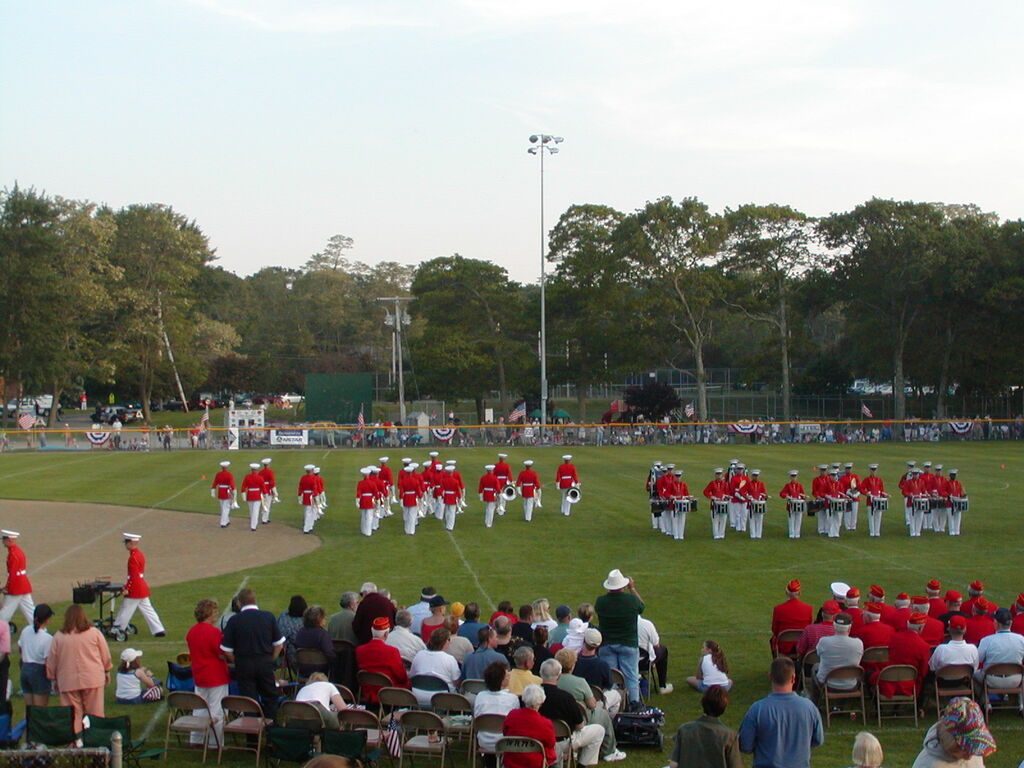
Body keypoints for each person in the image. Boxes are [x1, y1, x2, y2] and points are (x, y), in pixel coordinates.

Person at [738, 657, 823, 768]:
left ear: (770, 677)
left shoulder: (757, 709)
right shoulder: (809, 708)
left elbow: (745, 745)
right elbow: (818, 740)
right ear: (793, 678)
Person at [45, 604, 113, 732]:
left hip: (68, 680)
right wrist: (107, 669)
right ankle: (95, 739)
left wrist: (53, 677)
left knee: (72, 715)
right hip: (92, 678)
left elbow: (52, 660)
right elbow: (105, 654)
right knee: (95, 713)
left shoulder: (59, 637)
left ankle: (75, 742)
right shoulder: (94, 633)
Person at [220, 587, 286, 718]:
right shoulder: (268, 617)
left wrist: (237, 661)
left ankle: (252, 733)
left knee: (249, 700)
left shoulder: (235, 620)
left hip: (244, 664)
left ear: (239, 603)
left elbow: (227, 651)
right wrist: (270, 659)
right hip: (264, 662)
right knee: (270, 697)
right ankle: (270, 729)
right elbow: (279, 644)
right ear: (255, 601)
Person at [537, 658, 609, 765]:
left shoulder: (531, 696)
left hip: (537, 740)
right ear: (559, 675)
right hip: (562, 741)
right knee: (598, 730)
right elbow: (579, 726)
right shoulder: (566, 698)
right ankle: (582, 764)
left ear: (540, 673)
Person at [594, 568, 644, 709]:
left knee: (612, 679)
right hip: (628, 644)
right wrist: (632, 589)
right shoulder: (631, 600)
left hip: (607, 644)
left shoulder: (601, 602)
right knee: (631, 677)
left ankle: (613, 706)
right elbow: (641, 606)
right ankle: (633, 705)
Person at [186, 597, 230, 748]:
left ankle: (196, 740)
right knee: (216, 711)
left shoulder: (192, 631)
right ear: (208, 613)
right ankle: (215, 743)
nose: (216, 614)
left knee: (199, 709)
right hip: (215, 675)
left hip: (199, 674)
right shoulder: (213, 632)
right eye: (214, 611)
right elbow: (221, 652)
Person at [668, 685, 742, 768]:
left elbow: (673, 764)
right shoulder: (729, 736)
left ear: (703, 702)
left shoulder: (684, 730)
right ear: (724, 706)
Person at [911, 697, 995, 768]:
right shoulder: (928, 764)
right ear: (950, 741)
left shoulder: (974, 752)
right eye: (965, 749)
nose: (970, 756)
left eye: (973, 747)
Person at [114, 533, 166, 637]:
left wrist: (127, 588)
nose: (125, 545)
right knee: (148, 609)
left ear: (131, 543)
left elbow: (133, 576)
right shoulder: (139, 554)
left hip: (136, 588)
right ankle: (158, 629)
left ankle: (120, 628)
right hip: (141, 586)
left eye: (127, 543)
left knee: (126, 608)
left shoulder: (133, 558)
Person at [473, 661, 521, 765]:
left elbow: (476, 715)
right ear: (502, 680)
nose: (509, 677)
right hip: (505, 742)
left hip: (484, 741)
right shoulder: (512, 699)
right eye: (507, 676)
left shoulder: (480, 696)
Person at [809, 612, 862, 701]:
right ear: (849, 627)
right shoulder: (858, 643)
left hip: (829, 684)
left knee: (815, 667)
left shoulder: (824, 641)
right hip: (849, 684)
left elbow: (818, 654)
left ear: (834, 626)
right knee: (816, 667)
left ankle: (815, 702)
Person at [501, 684, 557, 768]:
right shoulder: (545, 723)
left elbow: (505, 732)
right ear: (541, 703)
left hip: (512, 760)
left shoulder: (512, 715)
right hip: (535, 763)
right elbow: (551, 743)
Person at [355, 617, 408, 703]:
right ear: (386, 634)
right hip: (389, 691)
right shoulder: (391, 652)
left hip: (368, 691)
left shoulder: (359, 650)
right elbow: (401, 677)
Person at [974, 608, 1024, 698]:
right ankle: (1020, 704)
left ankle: (986, 702)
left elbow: (978, 660)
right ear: (1011, 623)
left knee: (973, 675)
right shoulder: (1021, 639)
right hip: (1015, 679)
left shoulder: (987, 640)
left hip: (992, 679)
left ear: (996, 623)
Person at [409, 627, 460, 706]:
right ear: (445, 642)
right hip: (441, 699)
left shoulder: (419, 655)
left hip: (418, 696)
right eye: (448, 639)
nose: (449, 642)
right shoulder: (449, 659)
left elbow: (412, 675)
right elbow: (457, 682)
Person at [18, 603, 54, 708]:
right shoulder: (47, 638)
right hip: (39, 670)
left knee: (29, 708)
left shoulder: (26, 631)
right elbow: (48, 660)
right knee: (39, 710)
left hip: (25, 668)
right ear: (47, 619)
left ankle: (26, 724)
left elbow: (20, 647)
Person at [1, 529, 35, 626]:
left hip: (16, 586)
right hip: (23, 584)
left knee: (5, 612)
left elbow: (13, 573)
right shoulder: (17, 551)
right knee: (30, 610)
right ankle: (41, 630)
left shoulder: (13, 554)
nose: (3, 542)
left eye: (4, 539)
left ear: (10, 540)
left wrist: (7, 588)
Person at [293, 605, 337, 679]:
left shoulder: (300, 632)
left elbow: (296, 646)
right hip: (321, 669)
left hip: (303, 667)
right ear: (319, 620)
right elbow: (330, 653)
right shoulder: (322, 634)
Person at [770, 579, 811, 656]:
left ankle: (777, 664)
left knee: (773, 640)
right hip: (801, 645)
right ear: (799, 593)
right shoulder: (808, 609)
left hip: (784, 647)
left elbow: (775, 630)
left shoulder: (778, 609)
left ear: (786, 593)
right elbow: (808, 628)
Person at [638, 614, 671, 695]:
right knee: (663, 650)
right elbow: (656, 644)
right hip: (643, 662)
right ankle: (662, 686)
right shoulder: (646, 624)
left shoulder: (618, 624)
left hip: (623, 661)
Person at [860, 464, 887, 537]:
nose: (873, 472)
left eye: (875, 470)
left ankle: (877, 531)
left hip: (878, 500)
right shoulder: (866, 479)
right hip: (870, 500)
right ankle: (872, 531)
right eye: (872, 470)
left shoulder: (879, 480)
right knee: (871, 516)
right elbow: (861, 489)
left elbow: (881, 490)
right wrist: (866, 493)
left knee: (878, 516)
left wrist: (884, 494)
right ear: (870, 470)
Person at [779, 470, 807, 539]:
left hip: (799, 504)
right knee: (791, 519)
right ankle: (791, 533)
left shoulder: (799, 485)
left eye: (795, 476)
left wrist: (804, 497)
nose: (793, 478)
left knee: (798, 519)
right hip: (791, 505)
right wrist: (787, 496)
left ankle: (797, 533)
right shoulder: (788, 485)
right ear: (790, 477)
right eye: (792, 476)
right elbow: (782, 493)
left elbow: (802, 494)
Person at [703, 468, 730, 540]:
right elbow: (705, 492)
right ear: (715, 475)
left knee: (723, 519)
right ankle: (716, 534)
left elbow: (728, 493)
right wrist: (711, 497)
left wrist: (726, 496)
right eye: (717, 474)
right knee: (715, 520)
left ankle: (722, 534)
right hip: (714, 504)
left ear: (722, 475)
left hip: (723, 503)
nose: (718, 476)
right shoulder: (712, 483)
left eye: (720, 474)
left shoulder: (725, 484)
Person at [211, 461, 236, 527]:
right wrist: (233, 492)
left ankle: (227, 521)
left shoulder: (218, 474)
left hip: (220, 491)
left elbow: (214, 483)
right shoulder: (229, 475)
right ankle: (223, 522)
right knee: (226, 508)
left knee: (222, 507)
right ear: (227, 467)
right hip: (227, 492)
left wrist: (213, 490)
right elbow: (232, 485)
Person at [946, 469, 966, 536]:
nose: (953, 476)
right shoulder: (947, 483)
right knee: (951, 517)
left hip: (958, 502)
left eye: (954, 475)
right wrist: (948, 495)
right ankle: (951, 531)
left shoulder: (958, 483)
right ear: (949, 475)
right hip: (950, 503)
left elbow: (960, 492)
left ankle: (957, 530)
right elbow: (944, 491)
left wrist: (962, 495)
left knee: (958, 516)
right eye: (952, 475)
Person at [258, 457, 277, 524]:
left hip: (261, 489)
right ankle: (264, 519)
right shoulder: (270, 472)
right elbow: (272, 483)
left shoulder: (260, 472)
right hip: (268, 489)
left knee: (263, 503)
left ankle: (265, 517)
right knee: (267, 504)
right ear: (268, 464)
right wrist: (275, 492)